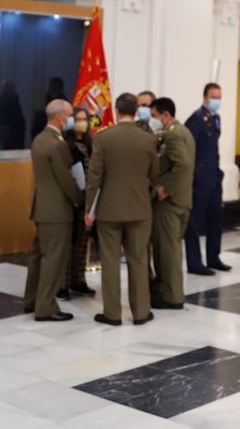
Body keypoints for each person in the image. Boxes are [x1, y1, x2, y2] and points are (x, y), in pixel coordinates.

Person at [85, 92, 159, 326]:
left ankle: (112, 313)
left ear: (116, 111)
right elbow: (154, 174)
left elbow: (94, 177)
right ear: (136, 111)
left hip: (109, 209)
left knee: (110, 260)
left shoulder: (103, 138)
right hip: (140, 208)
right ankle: (141, 312)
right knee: (138, 260)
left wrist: (90, 209)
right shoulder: (148, 139)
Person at [23, 99, 82, 321]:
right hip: (57, 211)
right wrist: (79, 199)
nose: (72, 119)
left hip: (42, 209)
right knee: (53, 259)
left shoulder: (40, 139)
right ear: (60, 118)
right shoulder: (57, 144)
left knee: (38, 257)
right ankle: (46, 306)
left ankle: (31, 300)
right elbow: (65, 179)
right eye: (70, 115)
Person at [149, 97, 195, 310]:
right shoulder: (183, 131)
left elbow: (183, 165)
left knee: (169, 250)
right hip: (181, 199)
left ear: (165, 115)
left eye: (154, 115)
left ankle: (172, 296)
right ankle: (165, 287)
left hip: (171, 202)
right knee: (168, 247)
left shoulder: (174, 134)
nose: (153, 120)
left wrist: (164, 189)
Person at [184, 82, 230, 275]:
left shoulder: (215, 117)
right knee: (195, 222)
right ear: (205, 98)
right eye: (213, 97)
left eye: (219, 97)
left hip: (214, 176)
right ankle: (194, 262)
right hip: (200, 177)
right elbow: (188, 148)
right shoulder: (196, 119)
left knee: (215, 220)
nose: (216, 101)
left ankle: (213, 257)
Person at [61, 107, 96, 297]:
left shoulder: (91, 144)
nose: (82, 123)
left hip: (87, 199)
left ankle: (78, 279)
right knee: (69, 242)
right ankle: (63, 283)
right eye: (78, 119)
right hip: (71, 198)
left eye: (85, 119)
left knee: (83, 240)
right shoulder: (66, 144)